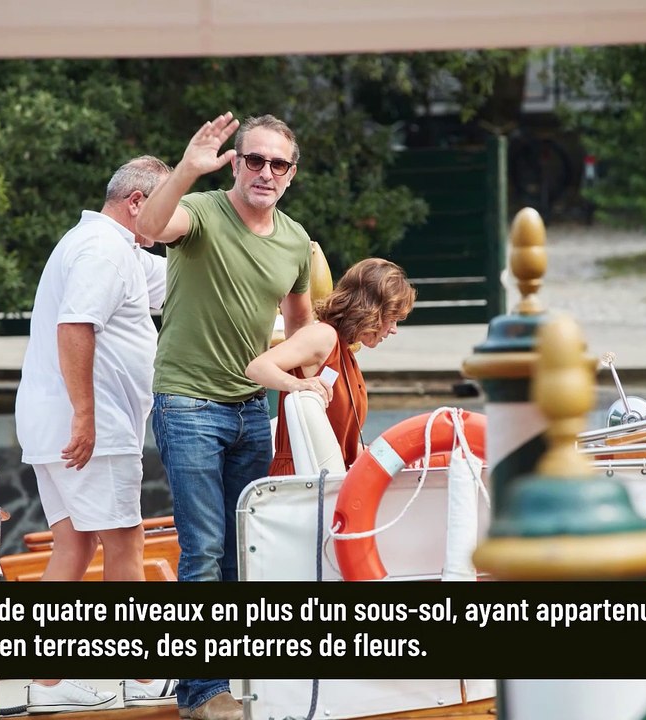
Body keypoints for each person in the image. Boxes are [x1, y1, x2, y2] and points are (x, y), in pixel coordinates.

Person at [137, 112, 313, 720]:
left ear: (291, 174)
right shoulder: (204, 212)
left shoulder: (294, 240)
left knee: (248, 551)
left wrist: (312, 383)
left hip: (250, 409)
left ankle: (233, 678)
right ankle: (201, 692)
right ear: (235, 163)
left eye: (278, 163)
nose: (265, 171)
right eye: (254, 159)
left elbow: (299, 325)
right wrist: (188, 166)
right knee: (205, 551)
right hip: (187, 403)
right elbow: (148, 224)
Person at [14, 156, 176, 714]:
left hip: (56, 420)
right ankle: (130, 675)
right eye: (165, 206)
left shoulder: (118, 248)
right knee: (125, 544)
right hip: (90, 424)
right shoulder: (104, 250)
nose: (170, 221)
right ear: (137, 203)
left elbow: (184, 283)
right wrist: (86, 414)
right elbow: (75, 326)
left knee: (75, 545)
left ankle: (49, 682)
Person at [245, 258, 416, 474]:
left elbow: (343, 447)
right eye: (392, 318)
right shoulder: (323, 336)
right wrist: (296, 384)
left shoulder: (345, 351)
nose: (393, 329)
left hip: (326, 480)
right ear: (371, 309)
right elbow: (257, 368)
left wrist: (400, 459)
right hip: (301, 482)